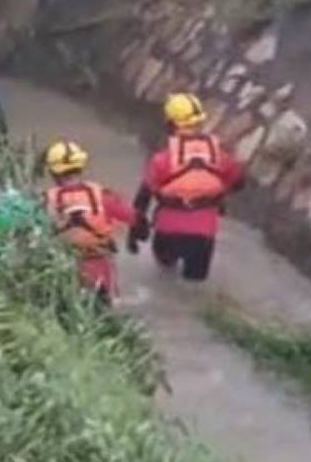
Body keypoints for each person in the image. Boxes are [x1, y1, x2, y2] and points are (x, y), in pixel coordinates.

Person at [129, 93, 244, 283]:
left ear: (170, 124)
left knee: (163, 277)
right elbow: (239, 182)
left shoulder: (162, 159)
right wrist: (215, 196)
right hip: (203, 236)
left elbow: (143, 198)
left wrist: (134, 233)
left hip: (167, 232)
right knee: (193, 285)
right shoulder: (221, 157)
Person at [42, 139, 136, 306]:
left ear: (53, 172)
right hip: (100, 266)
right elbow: (132, 217)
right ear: (81, 166)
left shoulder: (45, 200)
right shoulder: (103, 195)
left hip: (64, 270)